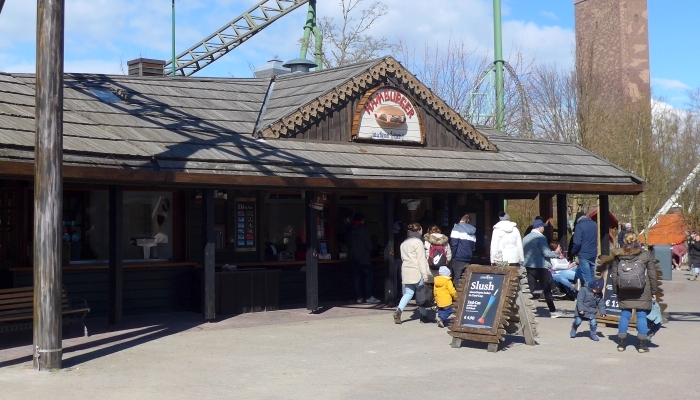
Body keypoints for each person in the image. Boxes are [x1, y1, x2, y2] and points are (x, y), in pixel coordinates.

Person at [612, 232, 659, 353]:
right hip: (643, 290)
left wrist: (615, 290)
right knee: (641, 315)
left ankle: (621, 344)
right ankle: (642, 345)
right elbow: (652, 274)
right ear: (636, 240)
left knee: (625, 315)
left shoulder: (618, 255)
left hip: (624, 288)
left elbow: (615, 276)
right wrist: (654, 290)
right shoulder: (645, 255)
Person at [522, 219, 566, 318]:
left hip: (528, 265)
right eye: (543, 227)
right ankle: (553, 311)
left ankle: (523, 310)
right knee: (547, 289)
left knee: (530, 289)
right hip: (541, 266)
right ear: (540, 227)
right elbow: (546, 252)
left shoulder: (525, 238)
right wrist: (557, 255)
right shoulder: (541, 238)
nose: (544, 229)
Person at [393, 223, 431, 324]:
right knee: (421, 294)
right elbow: (421, 260)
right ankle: (423, 316)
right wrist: (425, 275)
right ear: (418, 231)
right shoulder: (418, 242)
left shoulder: (404, 243)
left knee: (408, 293)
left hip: (406, 270)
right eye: (421, 230)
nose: (422, 232)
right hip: (416, 271)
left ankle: (398, 311)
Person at [347, 213, 380, 304]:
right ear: (362, 220)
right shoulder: (364, 230)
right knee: (368, 277)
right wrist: (369, 252)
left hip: (353, 258)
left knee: (356, 278)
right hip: (364, 258)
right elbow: (369, 245)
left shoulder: (350, 230)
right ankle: (368, 296)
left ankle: (358, 297)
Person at [569, 211, 598, 287]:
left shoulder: (579, 226)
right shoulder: (594, 224)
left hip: (583, 254)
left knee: (586, 276)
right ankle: (593, 291)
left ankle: (588, 293)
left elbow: (577, 243)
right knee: (592, 274)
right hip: (593, 253)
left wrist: (572, 252)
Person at [449, 214, 477, 286]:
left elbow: (453, 244)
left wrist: (452, 256)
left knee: (456, 279)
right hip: (468, 257)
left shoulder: (456, 228)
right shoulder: (473, 231)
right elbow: (473, 247)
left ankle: (457, 296)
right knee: (466, 279)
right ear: (468, 221)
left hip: (458, 258)